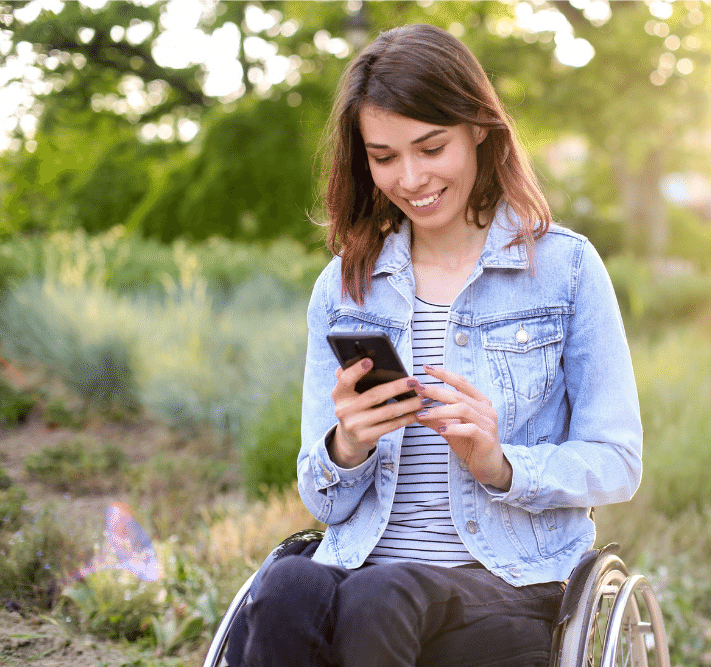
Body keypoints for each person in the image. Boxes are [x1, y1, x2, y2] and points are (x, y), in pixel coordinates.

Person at [231, 23, 642, 667]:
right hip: (363, 564)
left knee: (381, 596)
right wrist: (350, 444)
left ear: (479, 128)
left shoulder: (566, 270)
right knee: (285, 587)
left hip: (507, 586)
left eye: (431, 147)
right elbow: (321, 498)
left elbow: (617, 460)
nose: (411, 177)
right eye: (385, 156)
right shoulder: (345, 287)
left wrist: (501, 465)